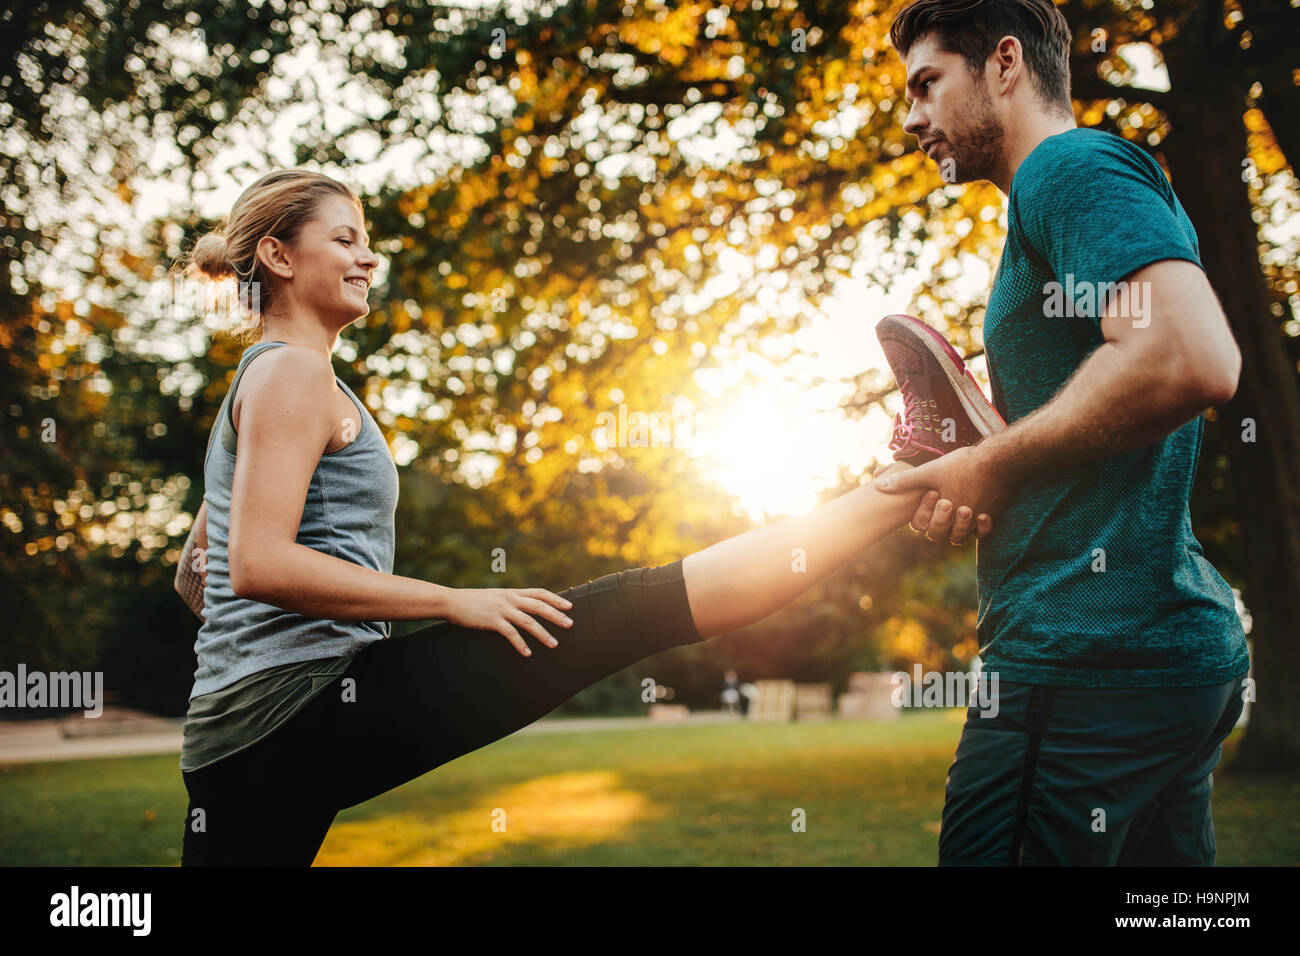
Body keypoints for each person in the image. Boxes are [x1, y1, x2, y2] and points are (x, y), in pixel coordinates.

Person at [172, 168, 999, 867]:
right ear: (278, 256)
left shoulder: (268, 378)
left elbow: (204, 566)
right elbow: (258, 567)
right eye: (345, 238)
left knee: (627, 610)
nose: (368, 254)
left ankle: (910, 471)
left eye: (366, 238)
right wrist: (455, 601)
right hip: (290, 715)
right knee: (627, 610)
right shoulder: (291, 376)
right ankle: (913, 470)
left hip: (256, 735)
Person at [873, 0, 1251, 865]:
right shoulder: (1067, 196)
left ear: (1004, 63)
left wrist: (993, 464)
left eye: (928, 84)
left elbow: (1189, 357)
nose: (912, 118)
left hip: (1079, 666)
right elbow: (1101, 431)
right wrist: (979, 476)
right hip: (1167, 660)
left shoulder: (1067, 168)